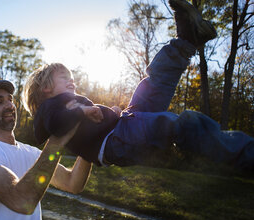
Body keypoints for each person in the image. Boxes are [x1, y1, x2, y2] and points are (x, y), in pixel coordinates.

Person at [23, 0, 254, 170]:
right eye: (64, 77)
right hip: (115, 141)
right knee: (178, 123)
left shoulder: (68, 101)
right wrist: (84, 110)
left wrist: (109, 112)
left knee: (152, 84)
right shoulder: (49, 109)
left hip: (123, 123)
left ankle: (187, 40)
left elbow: (90, 122)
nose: (71, 79)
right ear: (46, 88)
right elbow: (48, 128)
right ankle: (244, 152)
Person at [0, 79, 93, 220]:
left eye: (10, 99)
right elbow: (21, 200)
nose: (9, 105)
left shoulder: (32, 153)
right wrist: (57, 140)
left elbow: (73, 183)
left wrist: (91, 144)